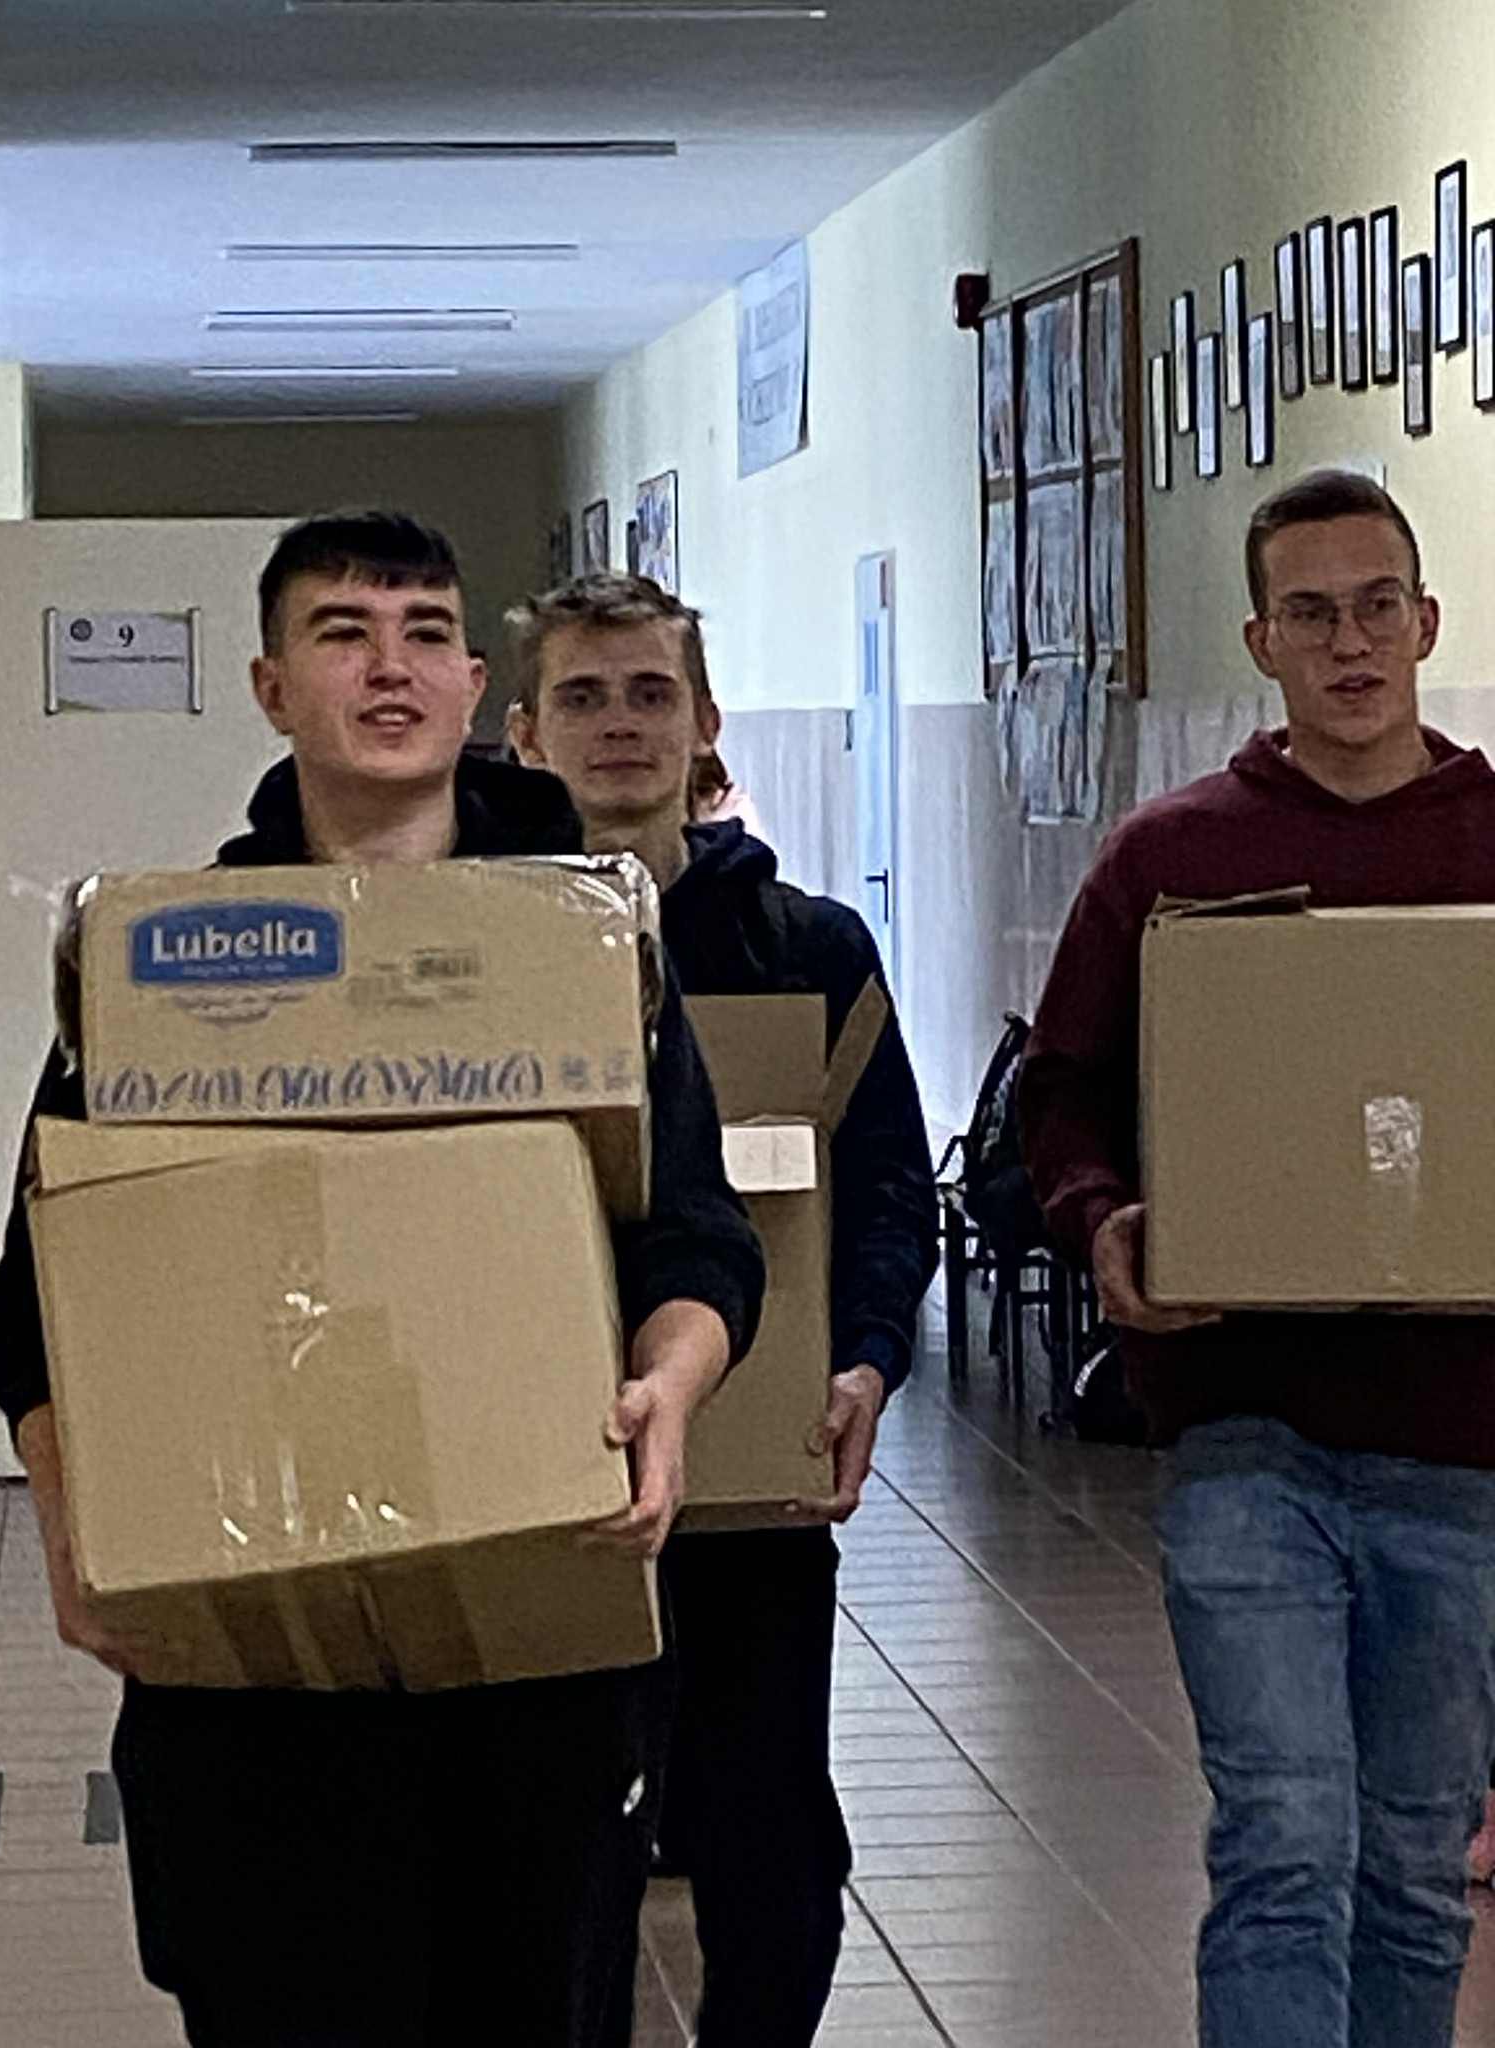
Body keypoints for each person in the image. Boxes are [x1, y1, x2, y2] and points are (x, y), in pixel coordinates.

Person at [0, 513, 765, 2048]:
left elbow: (698, 1239)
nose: (389, 668)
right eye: (343, 634)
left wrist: (668, 1394)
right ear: (272, 687)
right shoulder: (170, 959)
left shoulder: (583, 949)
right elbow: (37, 1304)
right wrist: (74, 1534)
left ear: (475, 686)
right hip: (250, 1657)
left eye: (425, 635)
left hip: (536, 1630)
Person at [1018, 469, 1495, 2048]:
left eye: (1377, 606)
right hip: (1245, 1430)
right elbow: (1060, 1093)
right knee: (1286, 1840)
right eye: (1312, 613)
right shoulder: (1169, 856)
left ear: (1426, 623)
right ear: (1260, 641)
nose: (1349, 641)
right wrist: (1106, 1219)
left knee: (1416, 1866)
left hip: (1466, 1441)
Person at [506, 570, 937, 2048]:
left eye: (651, 694)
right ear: (524, 733)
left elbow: (888, 1187)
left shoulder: (805, 950)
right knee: (564, 1852)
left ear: (705, 723)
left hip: (755, 1481)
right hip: (543, 1475)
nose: (620, 725)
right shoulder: (471, 950)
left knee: (772, 1846)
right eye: (582, 696)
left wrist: (868, 1361)